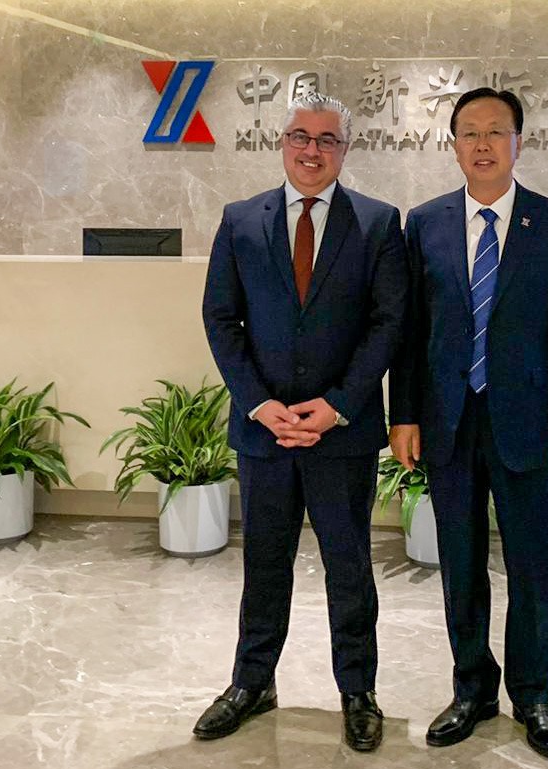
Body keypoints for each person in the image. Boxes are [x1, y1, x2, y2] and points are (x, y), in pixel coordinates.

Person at [197, 92, 407, 752]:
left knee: (349, 568)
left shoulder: (378, 223)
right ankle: (251, 682)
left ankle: (358, 690)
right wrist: (259, 403)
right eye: (299, 137)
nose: (311, 150)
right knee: (264, 564)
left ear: (345, 149)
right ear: (282, 143)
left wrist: (338, 403)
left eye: (326, 139)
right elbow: (220, 318)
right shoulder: (240, 220)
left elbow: (388, 323)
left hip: (341, 433)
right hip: (265, 432)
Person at [389, 87, 548, 760]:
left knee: (533, 564)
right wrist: (404, 414)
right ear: (454, 145)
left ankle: (533, 695)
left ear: (518, 143)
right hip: (448, 420)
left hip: (528, 423)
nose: (482, 144)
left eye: (495, 131)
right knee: (460, 561)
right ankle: (472, 688)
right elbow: (410, 330)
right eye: (469, 132)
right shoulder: (424, 223)